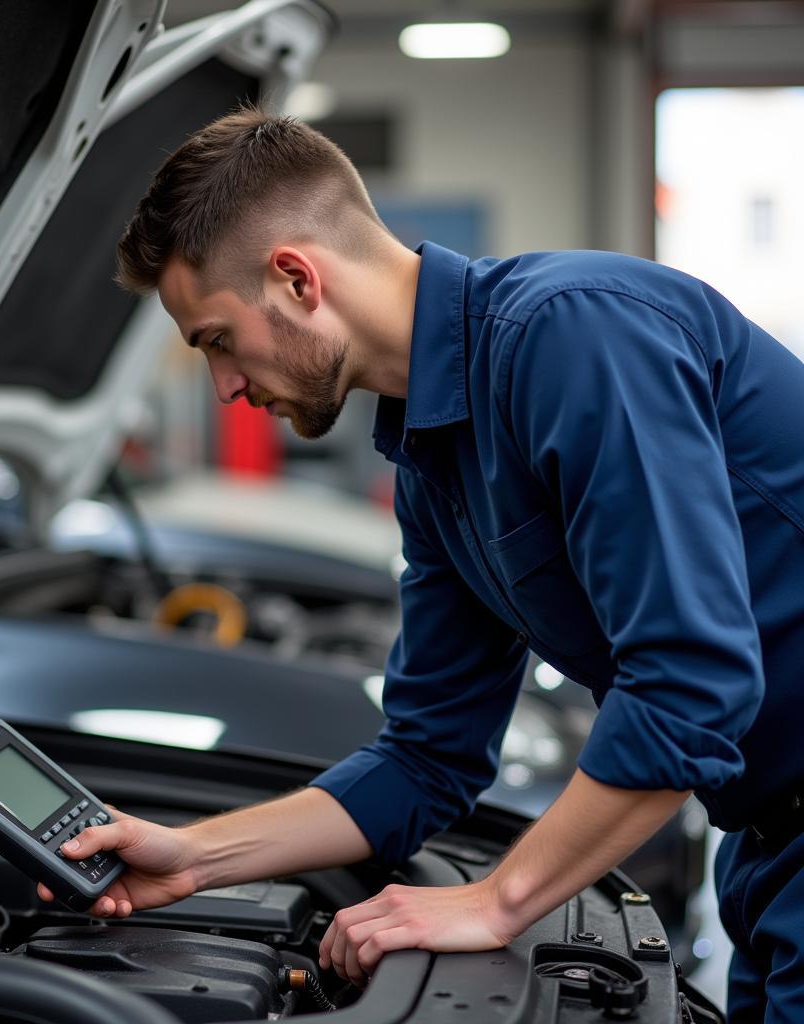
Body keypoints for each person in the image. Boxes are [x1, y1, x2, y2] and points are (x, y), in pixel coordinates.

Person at [39, 108, 804, 1022]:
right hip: (765, 851)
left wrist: (498, 900)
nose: (226, 389)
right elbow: (428, 756)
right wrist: (195, 856)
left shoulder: (574, 336)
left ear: (295, 278)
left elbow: (691, 683)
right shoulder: (434, 464)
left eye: (214, 340)